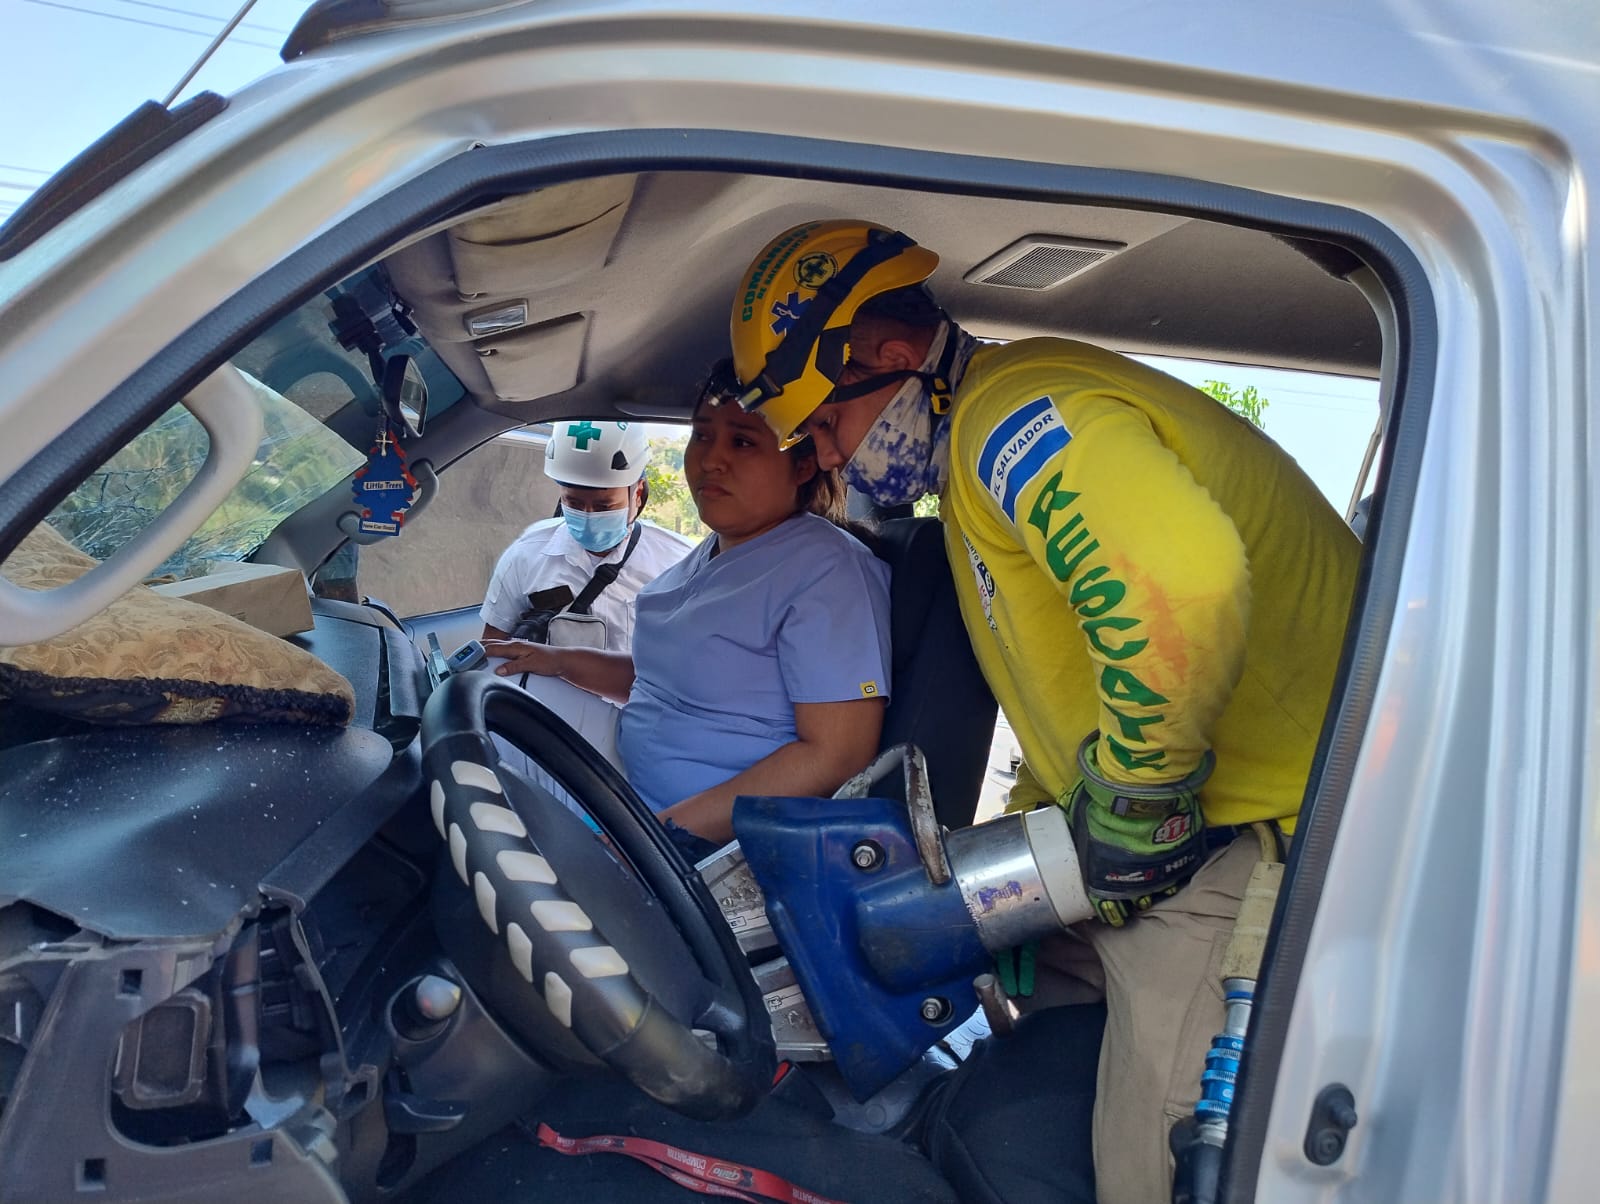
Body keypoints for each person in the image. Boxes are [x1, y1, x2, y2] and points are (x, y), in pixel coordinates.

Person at [723, 220, 1361, 1204]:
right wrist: (1038, 843)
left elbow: (1179, 588)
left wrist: (1137, 796)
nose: (827, 453)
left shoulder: (1015, 413)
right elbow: (1063, 693)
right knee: (1016, 1082)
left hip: (1248, 848)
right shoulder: (977, 469)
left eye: (824, 423)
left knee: (1155, 1171)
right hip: (1166, 850)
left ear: (890, 356)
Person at [486, 366, 893, 856]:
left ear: (803, 465)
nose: (711, 460)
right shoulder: (718, 550)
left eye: (742, 442)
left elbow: (836, 756)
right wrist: (557, 661)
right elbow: (659, 677)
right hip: (631, 772)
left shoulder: (827, 570)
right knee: (493, 690)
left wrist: (649, 840)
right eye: (701, 435)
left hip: (691, 832)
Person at [480, 420, 690, 652]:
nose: (588, 516)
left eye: (604, 506)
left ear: (637, 494)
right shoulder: (525, 555)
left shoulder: (677, 563)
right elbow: (493, 647)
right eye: (574, 503)